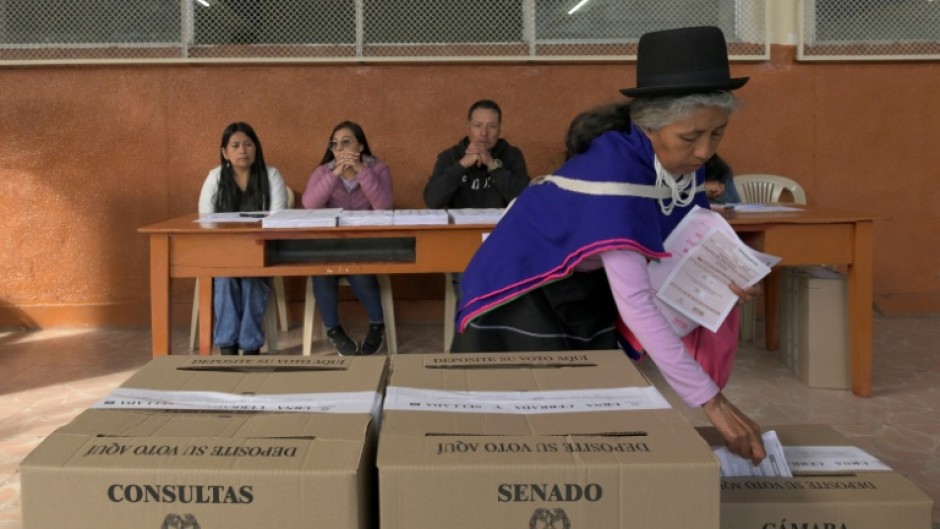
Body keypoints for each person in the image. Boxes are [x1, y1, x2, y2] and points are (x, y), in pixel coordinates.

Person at [452, 26, 767, 464]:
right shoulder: (615, 173)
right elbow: (637, 302)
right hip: (521, 286)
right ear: (649, 125)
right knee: (530, 422)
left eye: (717, 134)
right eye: (691, 138)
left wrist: (725, 272)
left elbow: (691, 232)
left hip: (582, 282)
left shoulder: (678, 163)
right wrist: (712, 403)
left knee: (589, 407)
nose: (703, 153)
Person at [423, 99, 530, 302]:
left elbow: (524, 199)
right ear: (468, 127)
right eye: (478, 125)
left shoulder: (511, 155)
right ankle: (471, 328)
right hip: (462, 241)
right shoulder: (450, 157)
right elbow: (432, 200)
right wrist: (462, 165)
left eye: (492, 126)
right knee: (469, 280)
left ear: (500, 129)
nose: (484, 133)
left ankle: (498, 329)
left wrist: (493, 165)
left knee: (510, 281)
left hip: (501, 238)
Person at [302, 121, 393, 356]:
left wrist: (362, 171)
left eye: (347, 142)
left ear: (360, 145)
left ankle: (377, 326)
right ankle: (334, 330)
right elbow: (309, 205)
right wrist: (335, 174)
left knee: (357, 267)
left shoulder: (378, 168)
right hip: (329, 243)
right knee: (322, 270)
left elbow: (383, 206)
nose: (341, 149)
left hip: (365, 241)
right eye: (336, 144)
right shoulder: (324, 171)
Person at [198, 122, 288, 355]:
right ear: (224, 152)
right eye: (235, 146)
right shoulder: (215, 178)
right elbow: (205, 219)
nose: (242, 150)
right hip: (222, 252)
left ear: (256, 148)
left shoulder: (271, 175)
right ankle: (227, 346)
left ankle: (249, 347)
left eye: (248, 144)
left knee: (251, 277)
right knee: (226, 278)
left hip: (260, 249)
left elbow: (278, 218)